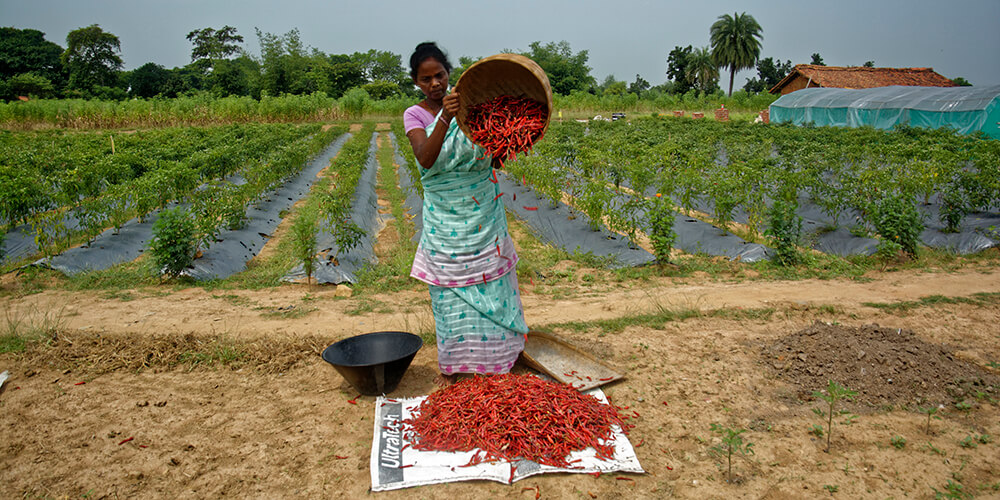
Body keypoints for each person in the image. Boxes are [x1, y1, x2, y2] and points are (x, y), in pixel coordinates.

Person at [403, 42, 528, 384]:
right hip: (446, 220)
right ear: (416, 82)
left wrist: (512, 140)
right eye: (426, 79)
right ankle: (461, 365)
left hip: (482, 215)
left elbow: (493, 154)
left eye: (440, 75)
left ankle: (500, 359)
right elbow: (426, 157)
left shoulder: (473, 107)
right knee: (450, 293)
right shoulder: (415, 115)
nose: (435, 84)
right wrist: (446, 115)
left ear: (449, 73)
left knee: (493, 287)